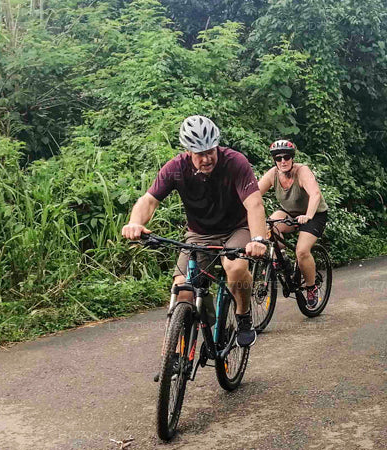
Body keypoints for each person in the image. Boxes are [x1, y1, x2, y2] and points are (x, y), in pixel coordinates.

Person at [121, 115, 270, 346]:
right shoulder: (176, 168)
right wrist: (135, 223)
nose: (207, 158)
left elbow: (255, 204)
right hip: (199, 234)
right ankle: (182, 348)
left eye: (211, 151)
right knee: (183, 289)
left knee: (236, 268)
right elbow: (149, 200)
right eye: (200, 153)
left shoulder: (235, 163)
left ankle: (243, 316)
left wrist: (258, 239)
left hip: (236, 229)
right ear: (188, 151)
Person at [256, 139, 329, 310]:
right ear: (274, 160)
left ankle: (311, 287)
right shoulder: (273, 174)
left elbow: (315, 194)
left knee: (302, 251)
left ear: (292, 158)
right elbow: (254, 194)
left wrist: (308, 215)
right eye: (278, 158)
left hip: (314, 214)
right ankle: (282, 258)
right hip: (290, 212)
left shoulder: (302, 171)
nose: (283, 161)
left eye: (286, 157)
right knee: (268, 227)